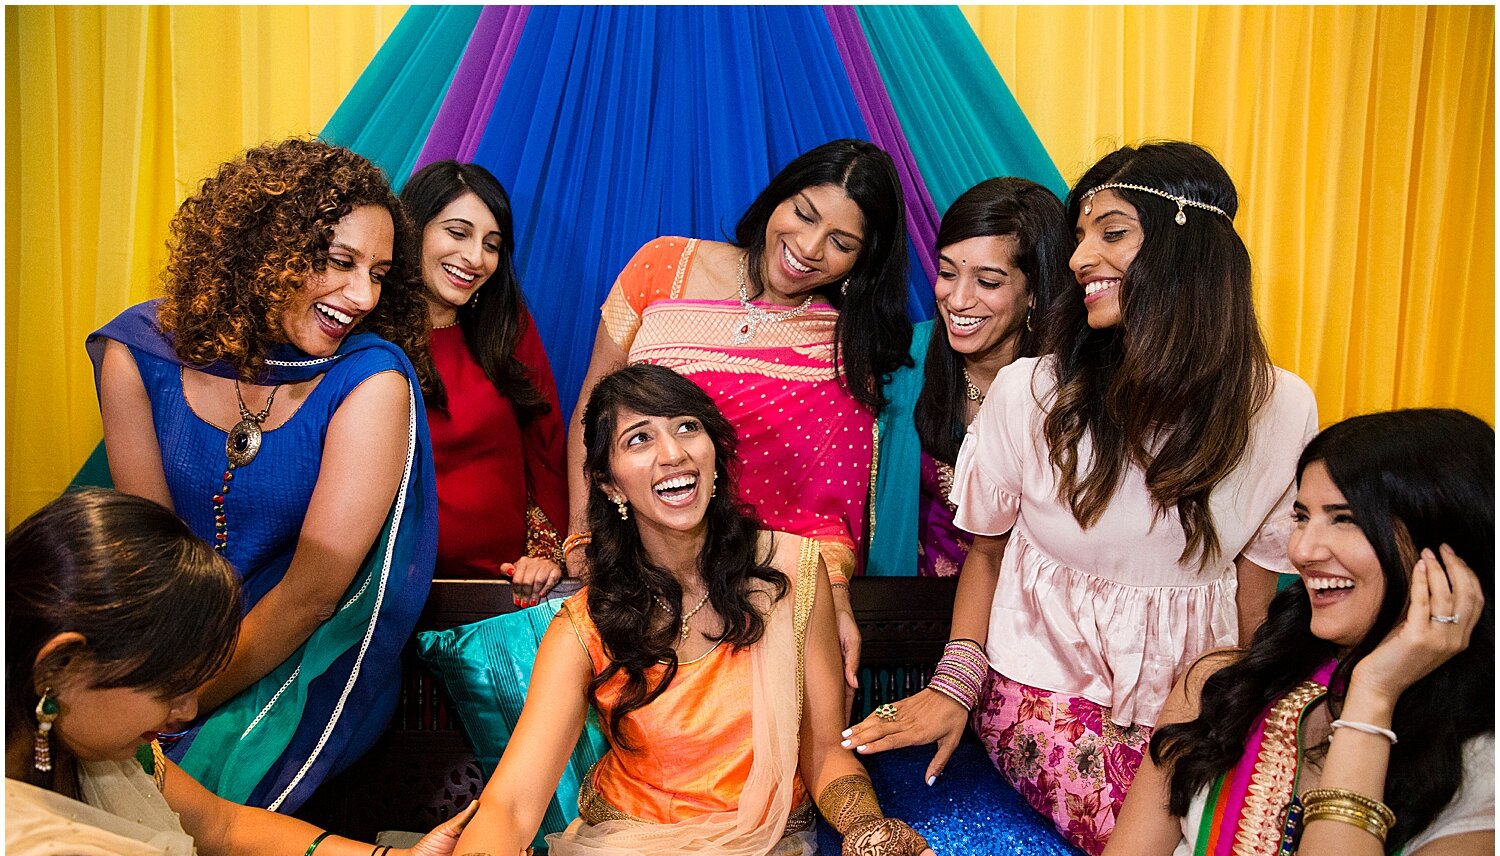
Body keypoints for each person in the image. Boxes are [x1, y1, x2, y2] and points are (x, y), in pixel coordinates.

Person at [395, 365, 941, 856]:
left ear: (715, 453)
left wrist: (867, 829)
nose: (673, 453)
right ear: (608, 483)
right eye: (639, 439)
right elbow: (511, 808)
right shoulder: (584, 628)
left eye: (688, 428)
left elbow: (821, 752)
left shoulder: (793, 575)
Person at [843, 142, 1319, 856]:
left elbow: (1255, 601)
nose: (1078, 257)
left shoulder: (1282, 404)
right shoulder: (1032, 392)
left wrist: (1254, 730)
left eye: (1113, 232)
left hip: (1195, 696)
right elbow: (987, 554)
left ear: (1189, 249)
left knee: (1269, 844)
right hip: (1043, 692)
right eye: (1081, 234)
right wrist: (954, 685)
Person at [1052, 408, 1494, 856]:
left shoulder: (1485, 770)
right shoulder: (1228, 686)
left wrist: (1372, 696)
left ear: (1450, 547)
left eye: (1346, 520)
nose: (1305, 549)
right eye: (1302, 516)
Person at [5, 489, 487, 856]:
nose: (187, 711)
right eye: (168, 689)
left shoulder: (91, 749)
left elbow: (225, 831)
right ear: (59, 669)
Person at [86, 138, 438, 813]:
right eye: (340, 262)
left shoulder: (371, 378)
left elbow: (310, 598)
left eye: (380, 273)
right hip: (169, 649)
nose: (363, 295)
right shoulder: (136, 353)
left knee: (177, 811)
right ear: (264, 248)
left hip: (303, 664)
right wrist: (148, 689)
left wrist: (179, 702)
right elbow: (153, 564)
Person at [565, 139, 914, 688]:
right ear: (776, 198)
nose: (808, 246)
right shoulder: (663, 266)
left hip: (752, 604)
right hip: (628, 575)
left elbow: (828, 508)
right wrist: (582, 542)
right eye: (802, 214)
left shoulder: (844, 349)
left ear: (861, 261)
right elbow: (593, 412)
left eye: (841, 242)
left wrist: (834, 601)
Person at [400, 161, 568, 600]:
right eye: (458, 233)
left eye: (491, 245)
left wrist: (547, 554)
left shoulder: (505, 325)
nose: (475, 258)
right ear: (413, 228)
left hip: (506, 593)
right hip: (393, 597)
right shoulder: (371, 338)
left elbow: (544, 441)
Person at [911, 178, 1070, 577]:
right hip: (908, 612)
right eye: (948, 273)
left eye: (988, 282)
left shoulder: (1068, 388)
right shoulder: (904, 366)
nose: (959, 300)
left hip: (1033, 620)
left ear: (1035, 290)